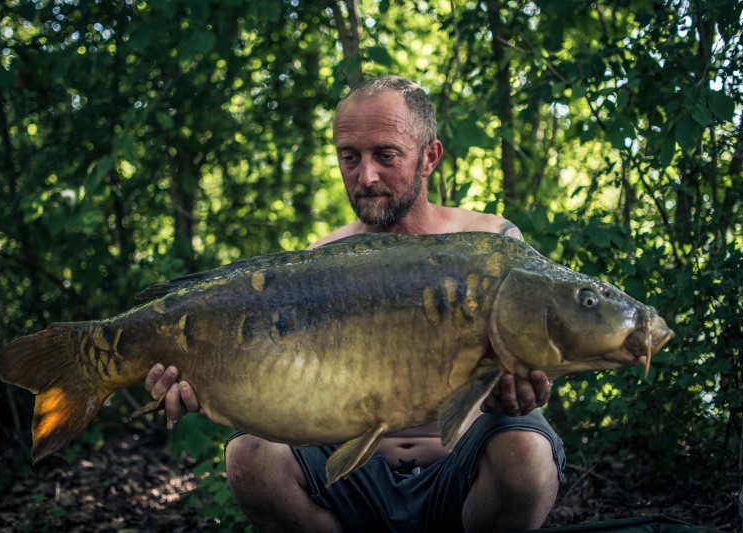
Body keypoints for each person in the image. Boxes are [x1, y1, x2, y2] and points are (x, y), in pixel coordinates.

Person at [144, 76, 564, 533]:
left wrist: (519, 396)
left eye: (386, 155)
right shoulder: (320, 259)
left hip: (462, 473)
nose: (366, 177)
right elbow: (287, 388)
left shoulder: (491, 243)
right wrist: (209, 382)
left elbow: (539, 358)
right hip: (353, 474)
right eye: (350, 157)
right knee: (248, 456)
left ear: (430, 157)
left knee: (528, 453)